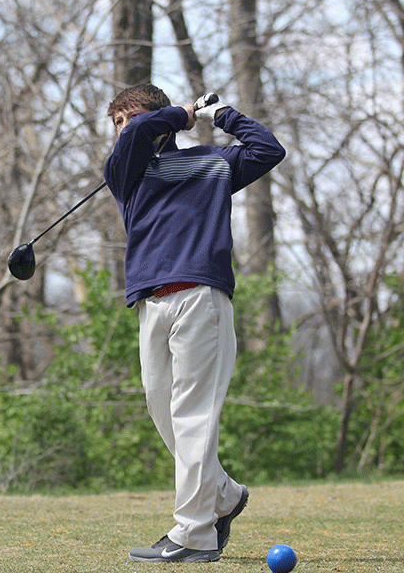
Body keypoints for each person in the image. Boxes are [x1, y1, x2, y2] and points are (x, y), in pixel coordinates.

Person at [103, 83, 286, 563]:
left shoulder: (213, 164)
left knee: (192, 414)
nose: (123, 129)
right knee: (162, 408)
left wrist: (223, 113)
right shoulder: (125, 170)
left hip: (202, 294)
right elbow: (140, 131)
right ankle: (223, 494)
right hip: (151, 302)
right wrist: (181, 113)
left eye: (130, 117)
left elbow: (268, 149)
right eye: (115, 123)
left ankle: (194, 533)